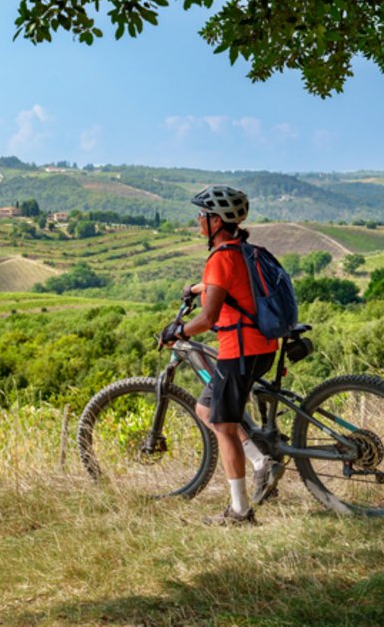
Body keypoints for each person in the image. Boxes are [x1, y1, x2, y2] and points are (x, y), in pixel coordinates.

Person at [159, 185, 285, 525]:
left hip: (240, 351)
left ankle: (240, 512)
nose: (198, 220)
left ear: (217, 220)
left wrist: (177, 332)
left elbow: (208, 319)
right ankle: (261, 461)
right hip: (260, 346)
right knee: (206, 409)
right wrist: (199, 288)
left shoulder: (219, 258)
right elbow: (232, 287)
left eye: (202, 214)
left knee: (223, 425)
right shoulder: (239, 250)